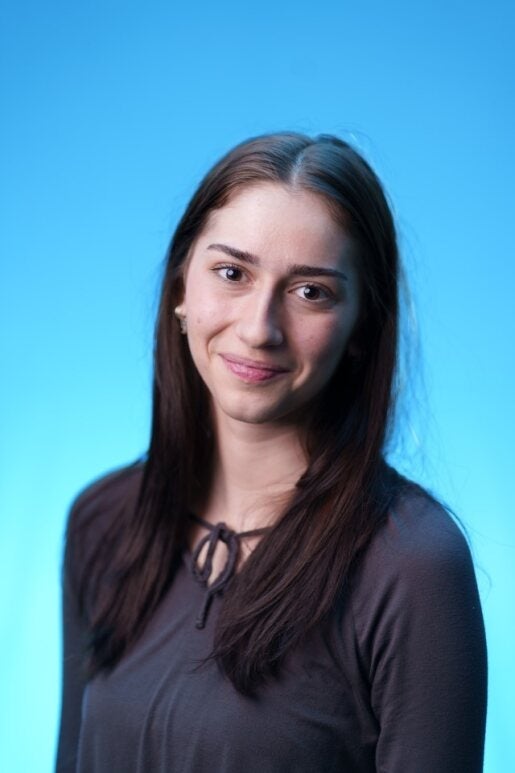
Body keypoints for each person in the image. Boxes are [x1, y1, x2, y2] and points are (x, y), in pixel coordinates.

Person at [55, 132, 487, 772]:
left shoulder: (413, 566)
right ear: (181, 288)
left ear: (362, 326)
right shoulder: (104, 520)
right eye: (232, 273)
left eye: (311, 291)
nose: (260, 328)